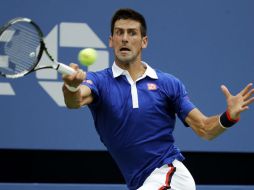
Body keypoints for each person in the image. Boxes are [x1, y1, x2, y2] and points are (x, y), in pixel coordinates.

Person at [62, 8, 254, 190]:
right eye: (119, 33)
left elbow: (204, 129)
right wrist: (71, 86)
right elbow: (75, 101)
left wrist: (229, 116)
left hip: (171, 176)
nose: (125, 39)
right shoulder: (99, 81)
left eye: (132, 33)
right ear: (111, 41)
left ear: (144, 41)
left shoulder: (168, 84)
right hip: (142, 183)